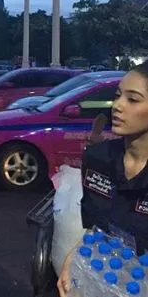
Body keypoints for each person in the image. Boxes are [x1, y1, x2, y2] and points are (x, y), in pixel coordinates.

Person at [57, 61, 148, 297]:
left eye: (133, 99)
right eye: (117, 96)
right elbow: (94, 229)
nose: (117, 105)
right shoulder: (98, 159)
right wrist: (72, 261)